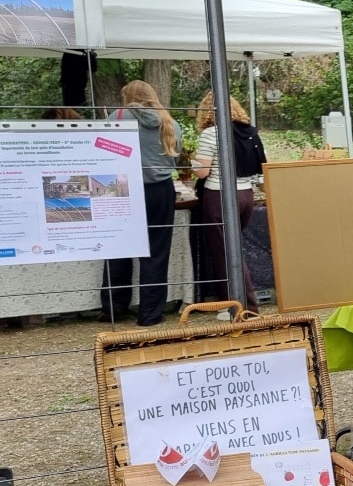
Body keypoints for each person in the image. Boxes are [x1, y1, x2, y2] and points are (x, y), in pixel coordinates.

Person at [101, 80, 180, 326]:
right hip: (160, 190)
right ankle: (150, 313)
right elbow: (174, 163)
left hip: (123, 188)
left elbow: (103, 153)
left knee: (118, 247)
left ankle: (113, 308)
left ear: (128, 97)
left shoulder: (117, 117)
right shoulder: (171, 122)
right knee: (156, 252)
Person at [192, 92, 268, 318]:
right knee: (232, 249)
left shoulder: (211, 133)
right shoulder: (250, 133)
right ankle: (232, 303)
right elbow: (264, 168)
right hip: (246, 195)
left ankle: (244, 307)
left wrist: (191, 161)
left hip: (220, 196)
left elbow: (202, 171)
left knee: (225, 252)